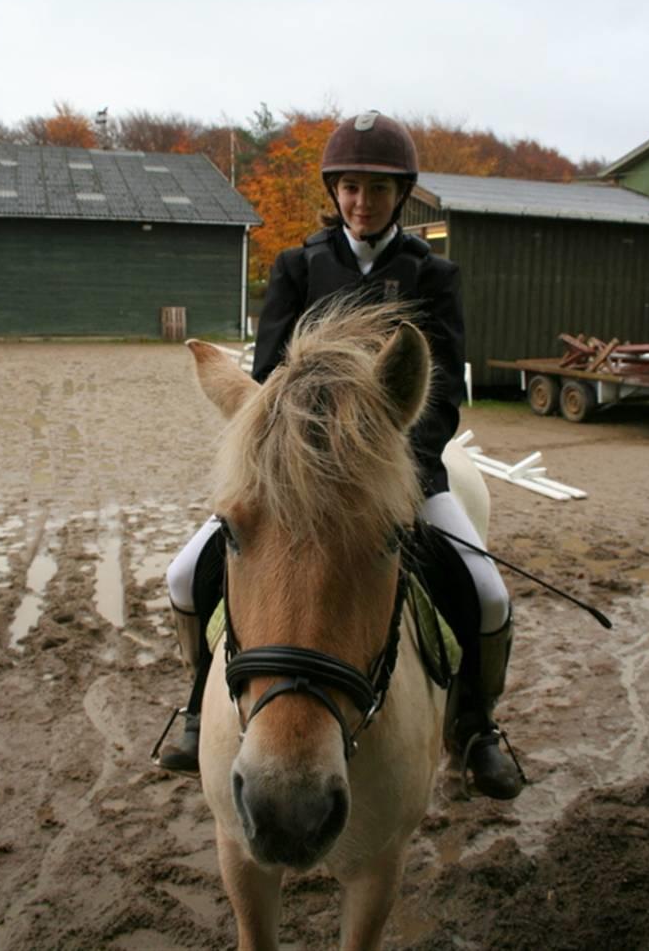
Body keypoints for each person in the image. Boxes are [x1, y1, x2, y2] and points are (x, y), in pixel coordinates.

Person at [158, 111, 522, 800]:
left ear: (400, 194)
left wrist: (380, 463)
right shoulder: (298, 267)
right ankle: (195, 695)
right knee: (185, 575)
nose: (362, 201)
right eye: (350, 187)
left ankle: (476, 726)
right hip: (293, 479)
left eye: (378, 189)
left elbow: (439, 394)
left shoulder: (432, 274)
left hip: (399, 476)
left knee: (489, 594)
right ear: (335, 192)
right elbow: (266, 382)